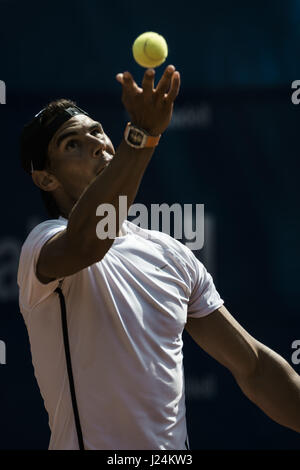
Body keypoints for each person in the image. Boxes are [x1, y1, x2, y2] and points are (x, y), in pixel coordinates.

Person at [17, 65, 300, 450]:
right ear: (47, 179)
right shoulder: (44, 245)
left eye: (98, 132)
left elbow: (254, 367)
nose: (97, 144)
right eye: (72, 144)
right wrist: (142, 137)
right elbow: (89, 241)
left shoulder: (171, 255)